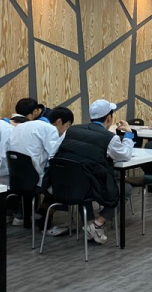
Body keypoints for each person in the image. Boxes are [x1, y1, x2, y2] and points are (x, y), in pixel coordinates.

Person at [50, 99, 134, 244]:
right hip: (89, 187)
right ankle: (97, 224)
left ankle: (88, 224)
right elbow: (125, 155)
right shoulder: (110, 138)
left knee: (83, 178)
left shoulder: (70, 130)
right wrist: (129, 135)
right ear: (109, 118)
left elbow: (53, 153)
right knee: (125, 189)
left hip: (64, 184)